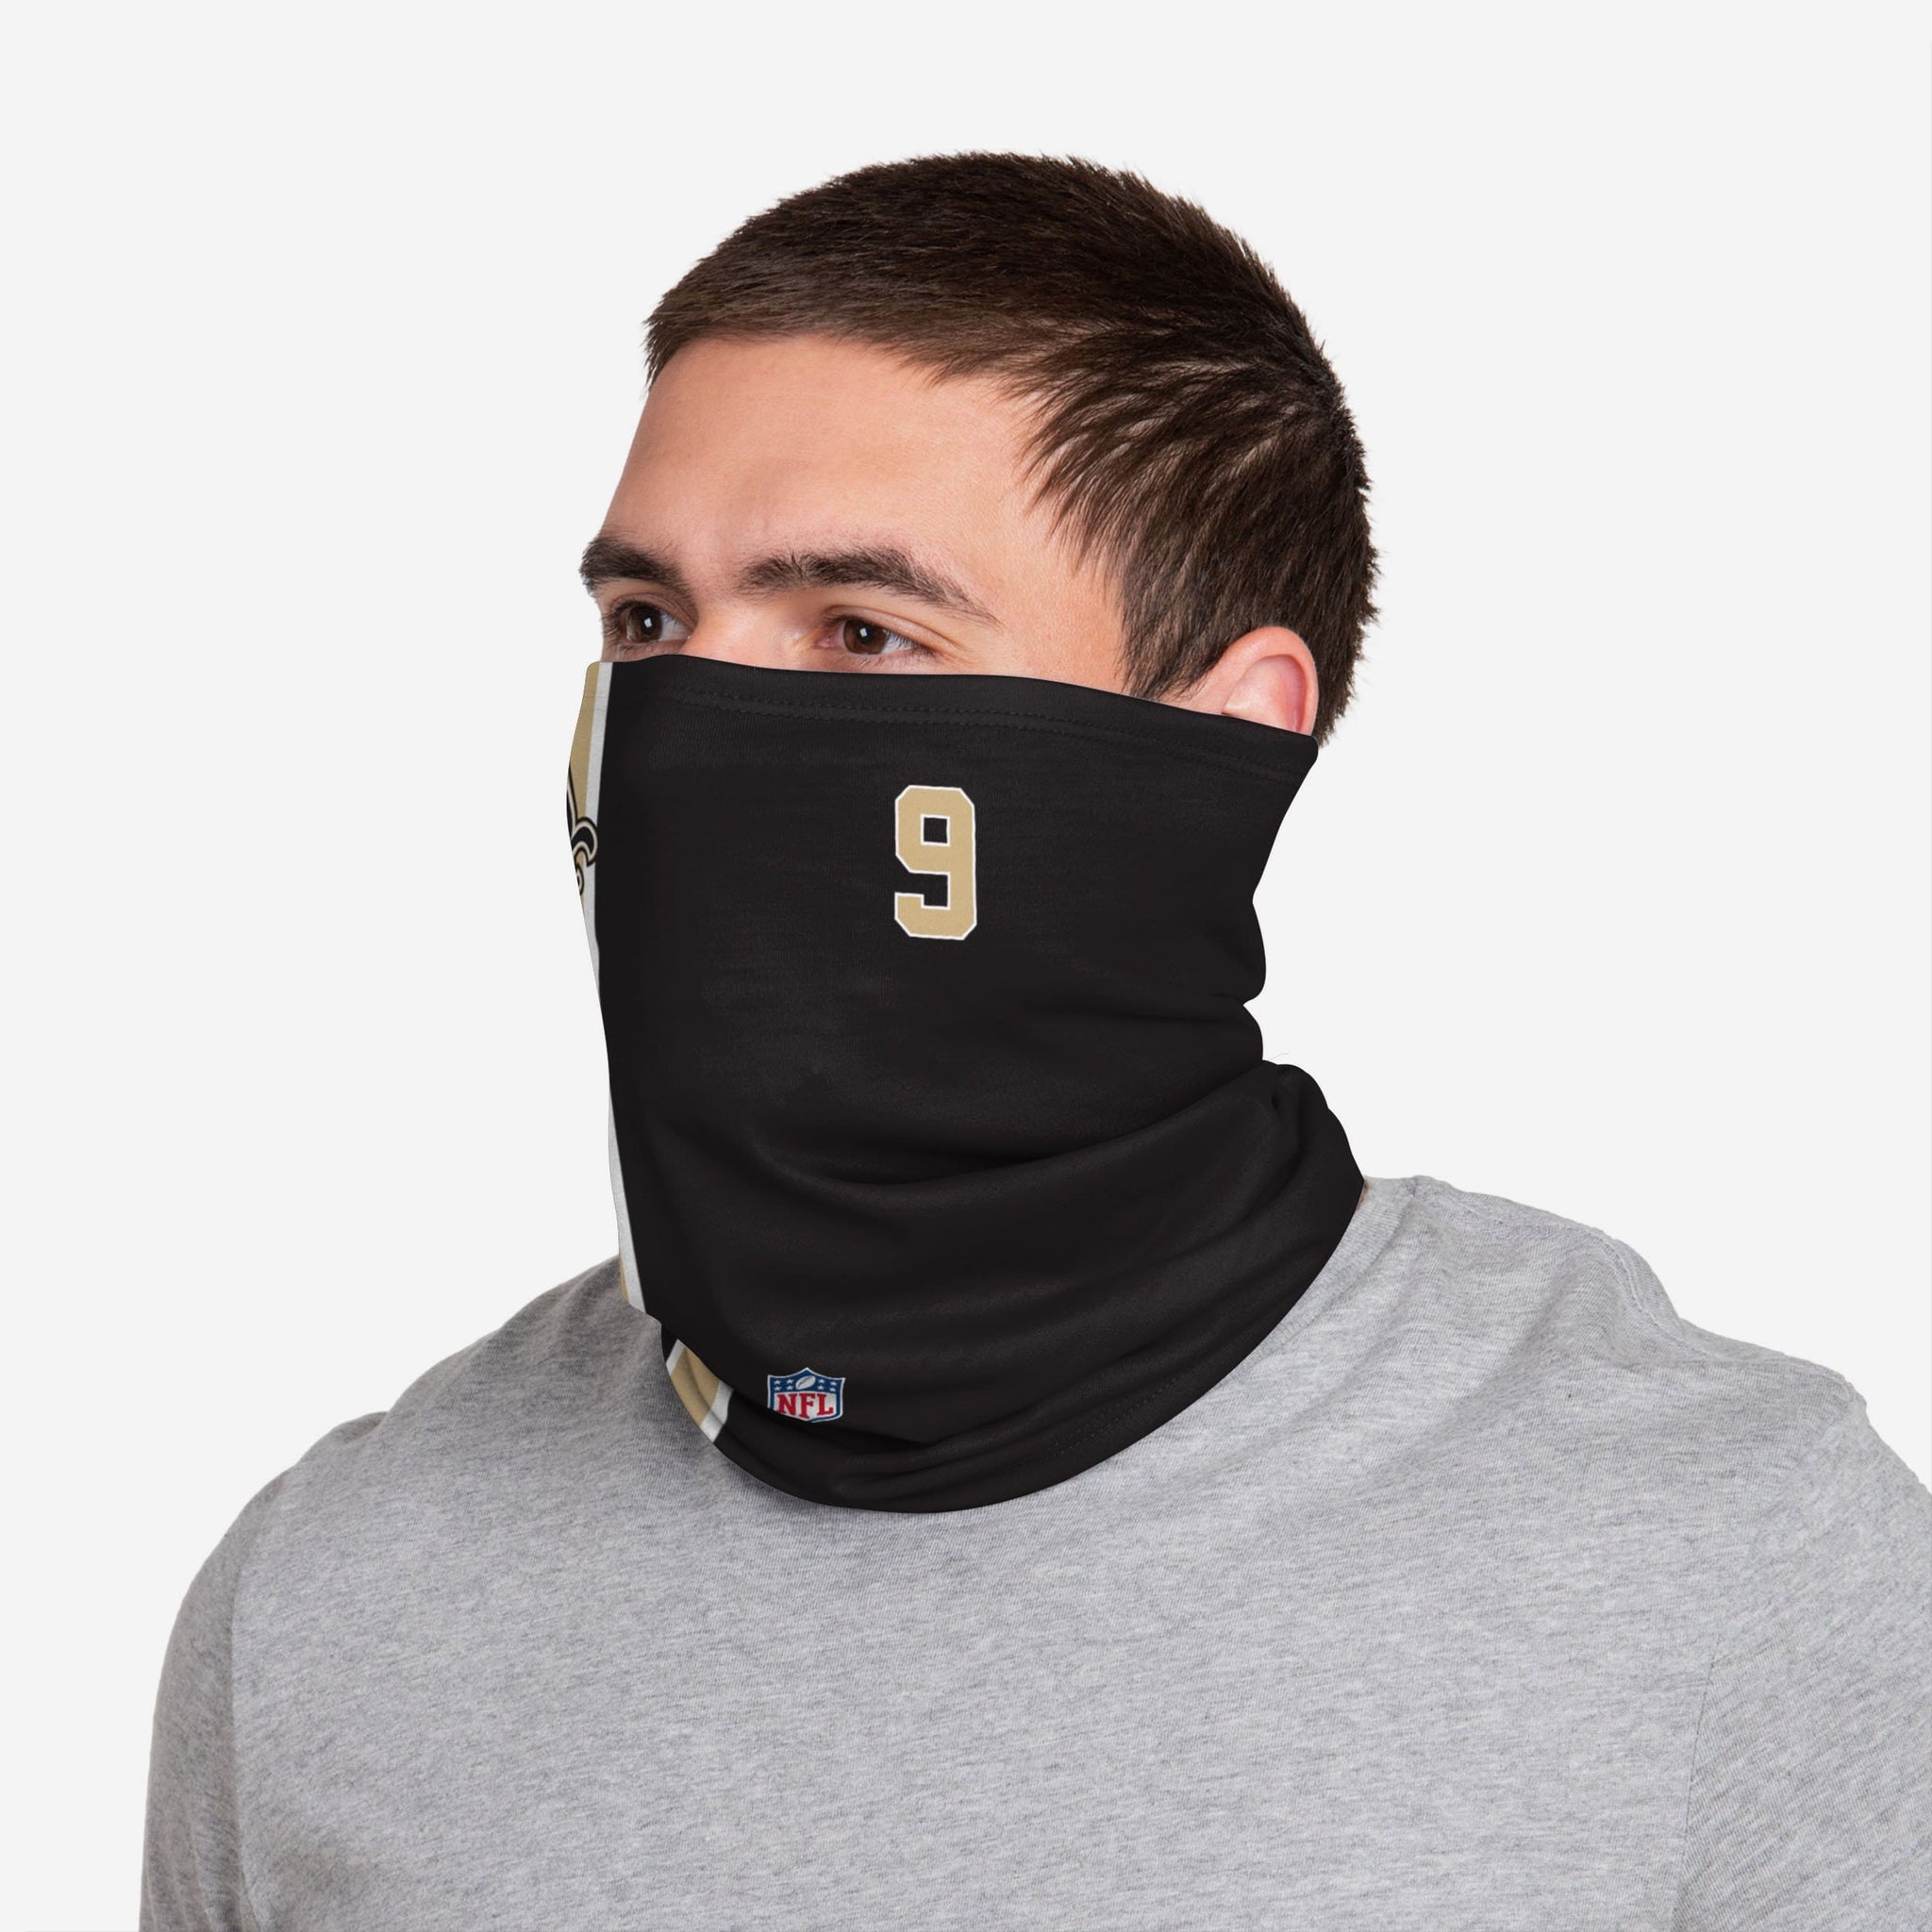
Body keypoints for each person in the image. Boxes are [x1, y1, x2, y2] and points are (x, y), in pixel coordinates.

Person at [141, 153, 1930, 1930]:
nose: (691, 729)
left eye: (863, 631)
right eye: (648, 624)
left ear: (1225, 738)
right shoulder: (333, 1603)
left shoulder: (1728, 1561)